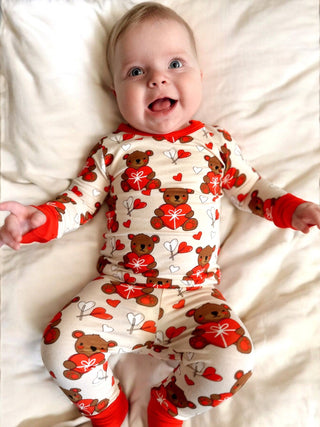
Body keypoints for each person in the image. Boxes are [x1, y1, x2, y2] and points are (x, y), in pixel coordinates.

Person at [1, 2, 320, 427]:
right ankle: (105, 407)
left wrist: (292, 209)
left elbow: (252, 189)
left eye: (174, 63)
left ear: (200, 77)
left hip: (195, 298)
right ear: (115, 93)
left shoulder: (214, 144)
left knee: (234, 361)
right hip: (119, 289)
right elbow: (78, 202)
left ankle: (170, 406)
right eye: (136, 72)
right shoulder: (113, 150)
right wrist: (38, 222)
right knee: (59, 347)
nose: (157, 78)